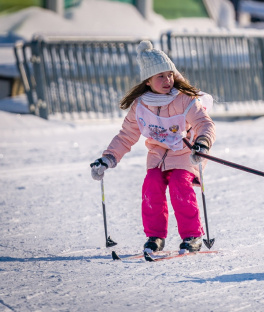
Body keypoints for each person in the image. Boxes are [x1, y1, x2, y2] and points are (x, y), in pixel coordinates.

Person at [90, 40, 216, 253]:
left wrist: (202, 143)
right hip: (158, 156)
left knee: (179, 184)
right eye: (160, 76)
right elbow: (126, 136)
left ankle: (193, 235)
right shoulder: (141, 105)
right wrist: (108, 157)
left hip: (187, 153)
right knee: (152, 185)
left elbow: (205, 124)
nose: (167, 80)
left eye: (170, 74)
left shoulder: (184, 100)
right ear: (148, 80)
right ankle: (155, 236)